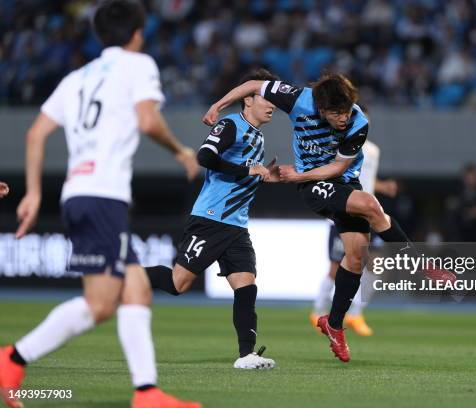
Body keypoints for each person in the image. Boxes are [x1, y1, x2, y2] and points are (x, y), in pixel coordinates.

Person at [0, 2, 201, 408]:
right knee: (100, 304)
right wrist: (180, 151)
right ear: (137, 33)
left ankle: (147, 392)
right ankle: (12, 359)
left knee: (137, 288)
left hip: (81, 192)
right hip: (102, 195)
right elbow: (147, 120)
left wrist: (35, 192)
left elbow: (36, 133)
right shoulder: (137, 65)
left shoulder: (79, 76)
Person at [203, 73, 411, 363]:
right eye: (337, 113)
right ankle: (420, 262)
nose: (344, 118)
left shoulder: (359, 123)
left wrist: (298, 174)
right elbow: (252, 85)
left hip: (337, 180)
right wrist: (218, 105)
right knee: (371, 206)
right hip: (313, 186)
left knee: (355, 257)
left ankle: (334, 324)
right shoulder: (298, 99)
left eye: (347, 110)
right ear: (321, 108)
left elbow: (338, 168)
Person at [145, 69, 279, 370]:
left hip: (236, 226)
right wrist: (247, 171)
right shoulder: (231, 124)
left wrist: (264, 177)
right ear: (247, 99)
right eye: (265, 98)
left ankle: (247, 355)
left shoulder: (257, 137)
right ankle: (122, 276)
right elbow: (205, 157)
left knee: (246, 286)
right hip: (211, 219)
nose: (272, 104)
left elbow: (241, 174)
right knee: (177, 284)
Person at [309, 138, 398, 336]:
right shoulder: (339, 147)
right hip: (344, 213)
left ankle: (356, 313)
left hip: (368, 212)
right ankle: (317, 310)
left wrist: (381, 187)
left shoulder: (373, 150)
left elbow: (367, 177)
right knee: (337, 266)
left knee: (375, 263)